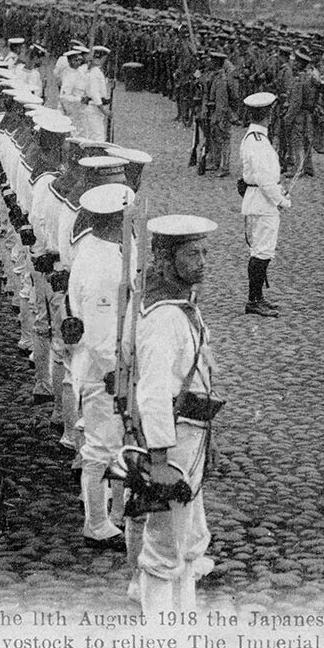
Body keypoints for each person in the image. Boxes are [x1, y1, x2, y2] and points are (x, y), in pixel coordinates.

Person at [132, 213, 220, 614]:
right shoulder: (165, 317)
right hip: (173, 442)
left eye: (204, 251)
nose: (202, 260)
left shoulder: (182, 305)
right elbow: (152, 393)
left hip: (192, 436)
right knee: (164, 548)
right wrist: (159, 462)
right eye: (191, 253)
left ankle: (183, 625)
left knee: (188, 543)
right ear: (166, 260)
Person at [69, 182, 138, 551]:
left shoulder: (98, 247)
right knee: (100, 446)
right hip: (103, 368)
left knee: (114, 443)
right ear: (116, 219)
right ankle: (95, 523)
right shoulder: (102, 263)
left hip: (109, 363)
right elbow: (98, 330)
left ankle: (115, 513)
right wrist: (116, 371)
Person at [239, 92, 291, 317]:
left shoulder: (256, 137)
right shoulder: (257, 141)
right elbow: (263, 179)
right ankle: (253, 300)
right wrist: (281, 200)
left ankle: (258, 297)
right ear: (268, 115)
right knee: (262, 251)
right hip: (262, 201)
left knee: (263, 250)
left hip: (261, 199)